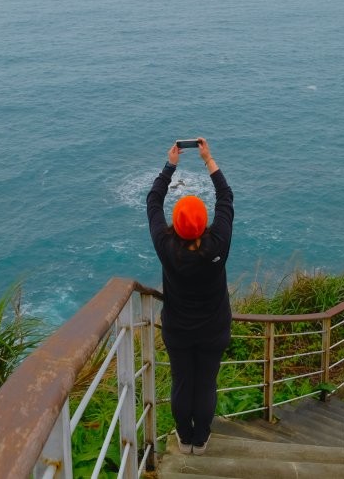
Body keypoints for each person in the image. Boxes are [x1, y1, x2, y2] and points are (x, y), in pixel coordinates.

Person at [146, 137, 235, 456]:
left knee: (182, 382)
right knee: (206, 383)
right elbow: (225, 197)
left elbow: (153, 203)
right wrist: (209, 160)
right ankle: (202, 439)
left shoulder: (166, 247)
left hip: (178, 330)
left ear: (177, 226)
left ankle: (185, 440)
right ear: (203, 224)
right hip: (214, 329)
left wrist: (170, 165)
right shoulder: (219, 244)